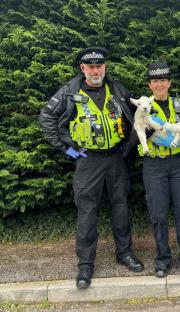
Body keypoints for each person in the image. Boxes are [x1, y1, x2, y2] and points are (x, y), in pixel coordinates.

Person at [39, 47, 144, 289]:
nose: (96, 70)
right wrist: (65, 149)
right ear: (83, 68)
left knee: (120, 206)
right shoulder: (70, 91)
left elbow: (139, 114)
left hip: (116, 158)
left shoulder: (117, 89)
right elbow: (46, 117)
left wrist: (128, 146)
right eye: (91, 66)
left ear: (105, 67)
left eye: (100, 66)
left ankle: (124, 253)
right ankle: (85, 265)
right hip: (88, 161)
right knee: (87, 211)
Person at [129, 61, 180, 281]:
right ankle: (163, 260)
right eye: (155, 81)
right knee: (158, 214)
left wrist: (179, 140)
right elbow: (132, 139)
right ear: (149, 84)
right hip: (154, 165)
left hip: (178, 164)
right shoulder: (142, 107)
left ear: (169, 82)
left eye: (163, 80)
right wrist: (148, 133)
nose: (159, 84)